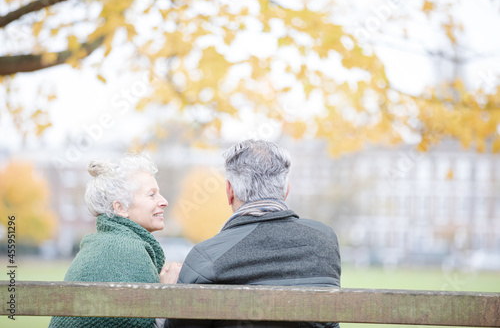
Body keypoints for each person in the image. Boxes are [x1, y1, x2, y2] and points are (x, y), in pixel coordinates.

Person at [166, 139, 341, 328]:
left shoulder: (206, 256)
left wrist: (168, 290)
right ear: (286, 190)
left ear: (229, 191)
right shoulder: (324, 240)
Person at [49, 152, 181, 328]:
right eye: (152, 195)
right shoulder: (128, 252)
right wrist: (166, 292)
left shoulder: (100, 244)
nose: (164, 201)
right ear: (120, 208)